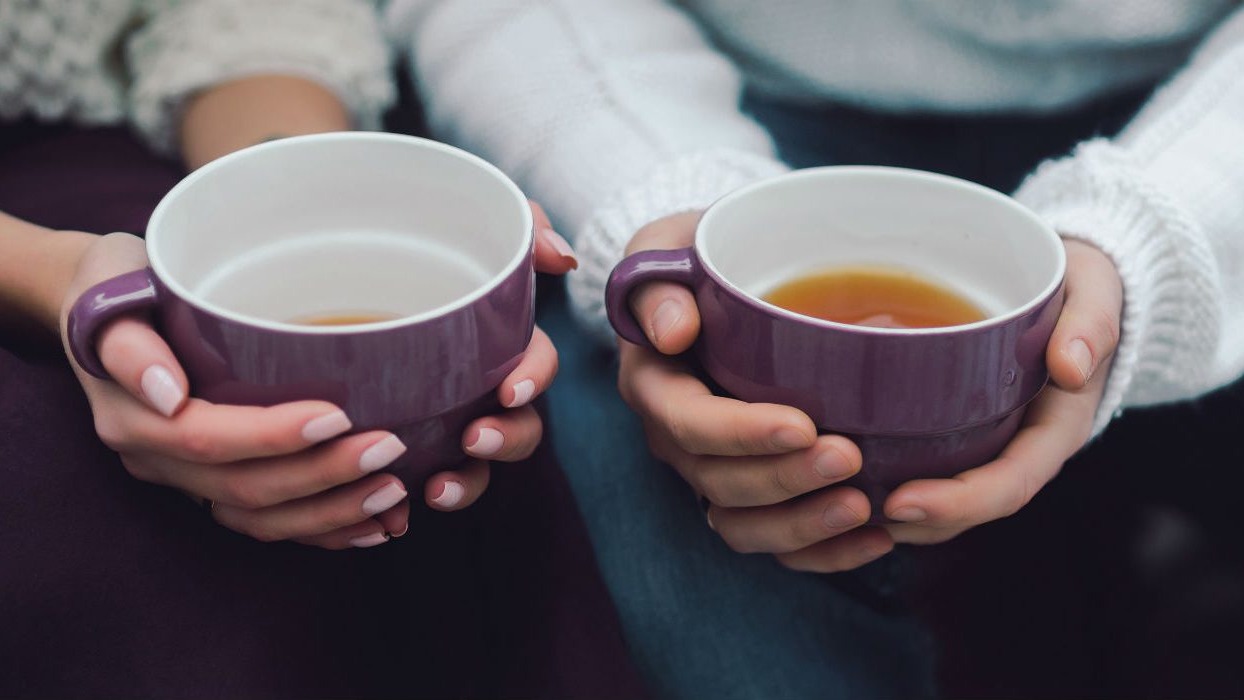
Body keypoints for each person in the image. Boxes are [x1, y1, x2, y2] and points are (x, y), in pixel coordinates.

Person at [386, 1, 1244, 697]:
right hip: (705, 89)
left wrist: (1155, 237)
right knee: (669, 531)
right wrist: (662, 192)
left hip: (1211, 115)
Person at [0, 2, 645, 697]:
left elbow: (248, 28)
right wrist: (57, 278)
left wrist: (312, 186)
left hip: (164, 144)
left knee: (433, 423)